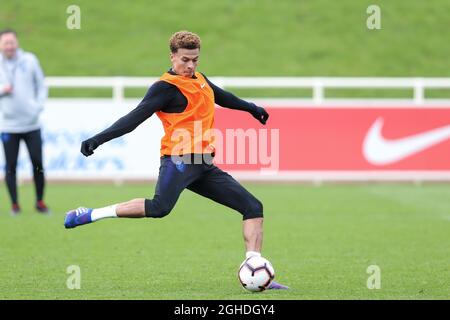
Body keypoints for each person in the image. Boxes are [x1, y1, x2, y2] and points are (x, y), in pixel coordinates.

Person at [64, 31, 288, 289]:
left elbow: (221, 96)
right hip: (178, 161)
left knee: (252, 207)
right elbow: (134, 118)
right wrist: (98, 139)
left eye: (195, 60)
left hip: (204, 165)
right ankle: (90, 214)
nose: (190, 66)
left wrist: (251, 108)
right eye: (185, 60)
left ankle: (255, 271)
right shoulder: (164, 88)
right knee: (160, 208)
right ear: (172, 56)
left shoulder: (199, 79)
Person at [0, 29, 49, 214]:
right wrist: (3, 89)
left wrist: (38, 107)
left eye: (12, 42)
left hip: (32, 124)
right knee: (10, 166)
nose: (9, 46)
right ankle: (14, 204)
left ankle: (40, 202)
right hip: (8, 126)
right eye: (6, 43)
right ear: (0, 45)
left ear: (17, 43)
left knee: (38, 164)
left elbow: (41, 84)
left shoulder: (29, 60)